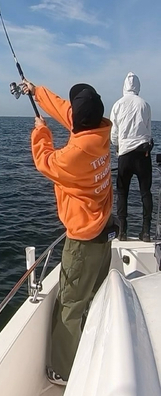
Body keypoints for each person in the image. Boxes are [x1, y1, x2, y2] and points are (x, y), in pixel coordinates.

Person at [21, 79, 116, 386]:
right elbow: (66, 110)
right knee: (93, 298)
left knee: (70, 307)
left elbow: (45, 162)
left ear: (79, 121)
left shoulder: (74, 156)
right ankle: (91, 347)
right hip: (103, 235)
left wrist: (40, 130)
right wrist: (36, 91)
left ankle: (63, 371)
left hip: (83, 243)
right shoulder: (101, 132)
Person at [110, 72, 153, 242]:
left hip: (125, 155)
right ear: (138, 86)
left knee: (122, 193)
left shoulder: (118, 105)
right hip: (143, 154)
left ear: (124, 86)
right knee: (145, 193)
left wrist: (118, 147)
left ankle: (122, 232)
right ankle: (146, 232)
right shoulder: (145, 105)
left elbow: (114, 133)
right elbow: (149, 131)